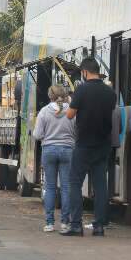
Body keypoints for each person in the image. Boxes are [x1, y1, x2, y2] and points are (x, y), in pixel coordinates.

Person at [61, 57, 116, 237]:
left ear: (84, 72)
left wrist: (72, 102)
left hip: (84, 143)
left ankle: (76, 224)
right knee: (101, 185)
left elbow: (69, 115)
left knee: (75, 182)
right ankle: (99, 226)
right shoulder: (110, 92)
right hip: (103, 144)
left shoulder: (81, 90)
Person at [33, 85, 76, 232]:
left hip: (49, 150)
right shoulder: (72, 110)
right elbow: (77, 131)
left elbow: (37, 135)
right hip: (67, 150)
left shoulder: (44, 111)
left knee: (50, 187)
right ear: (64, 95)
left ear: (50, 95)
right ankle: (65, 222)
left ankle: (49, 223)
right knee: (66, 187)